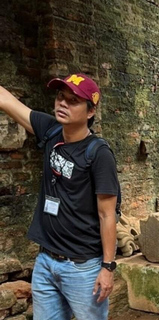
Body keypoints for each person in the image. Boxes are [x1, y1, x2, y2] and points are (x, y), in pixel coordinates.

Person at [0, 74, 119, 320]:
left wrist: (107, 267)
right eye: (60, 97)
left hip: (82, 266)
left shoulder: (98, 153)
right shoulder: (51, 130)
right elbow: (6, 99)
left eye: (73, 101)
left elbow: (107, 214)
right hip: (45, 261)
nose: (62, 104)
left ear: (90, 111)